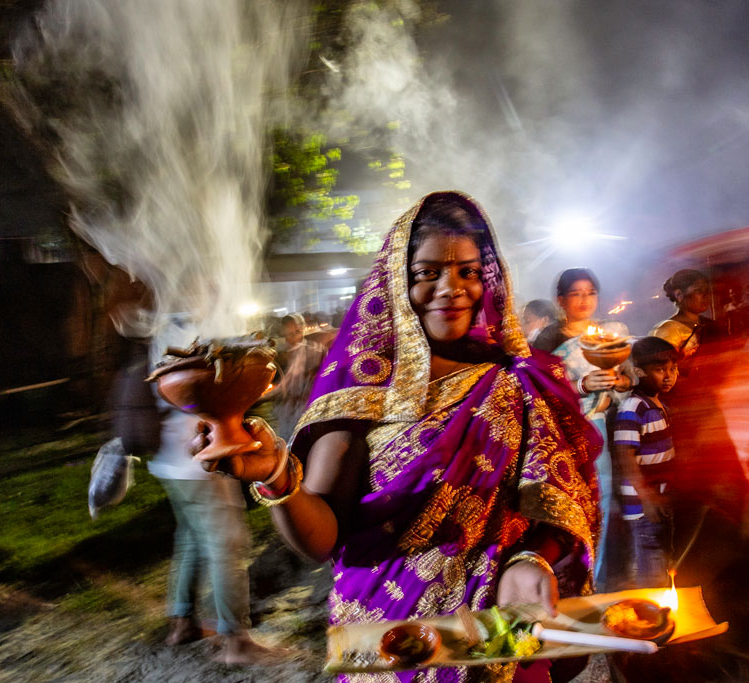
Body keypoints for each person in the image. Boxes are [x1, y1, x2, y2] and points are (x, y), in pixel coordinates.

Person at [192, 192, 601, 682]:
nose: (451, 288)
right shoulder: (364, 391)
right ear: (396, 282)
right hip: (389, 634)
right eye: (428, 272)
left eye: (468, 271)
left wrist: (533, 558)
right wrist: (277, 476)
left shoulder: (519, 382)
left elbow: (559, 502)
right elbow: (322, 541)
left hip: (498, 628)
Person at [147, 322, 274, 665]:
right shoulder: (197, 327)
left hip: (169, 464)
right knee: (227, 545)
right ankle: (236, 642)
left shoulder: (162, 330)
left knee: (190, 541)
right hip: (204, 461)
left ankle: (182, 623)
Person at [532, 268, 633, 590]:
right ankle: (561, 582)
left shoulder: (609, 335)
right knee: (568, 506)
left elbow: (630, 379)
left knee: (600, 502)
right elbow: (541, 388)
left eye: (590, 292)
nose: (584, 300)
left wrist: (618, 381)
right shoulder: (548, 340)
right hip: (565, 434)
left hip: (599, 428)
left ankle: (595, 580)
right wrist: (582, 385)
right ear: (561, 300)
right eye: (575, 294)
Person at [613, 337, 678, 588]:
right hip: (643, 507)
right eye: (660, 370)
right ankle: (649, 608)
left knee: (662, 562)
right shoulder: (633, 407)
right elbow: (625, 455)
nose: (669, 376)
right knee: (651, 567)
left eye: (673, 369)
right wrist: (647, 497)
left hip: (657, 501)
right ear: (640, 372)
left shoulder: (658, 404)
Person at [272, 313, 326, 442]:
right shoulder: (279, 353)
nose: (294, 336)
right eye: (290, 332)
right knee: (289, 438)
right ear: (283, 331)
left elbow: (322, 374)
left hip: (308, 403)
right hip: (286, 405)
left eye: (297, 331)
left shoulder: (316, 350)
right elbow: (276, 381)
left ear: (302, 328)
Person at [649, 269, 717, 362]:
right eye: (699, 290)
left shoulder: (710, 325)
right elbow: (662, 366)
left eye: (707, 291)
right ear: (679, 295)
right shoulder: (667, 330)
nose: (706, 295)